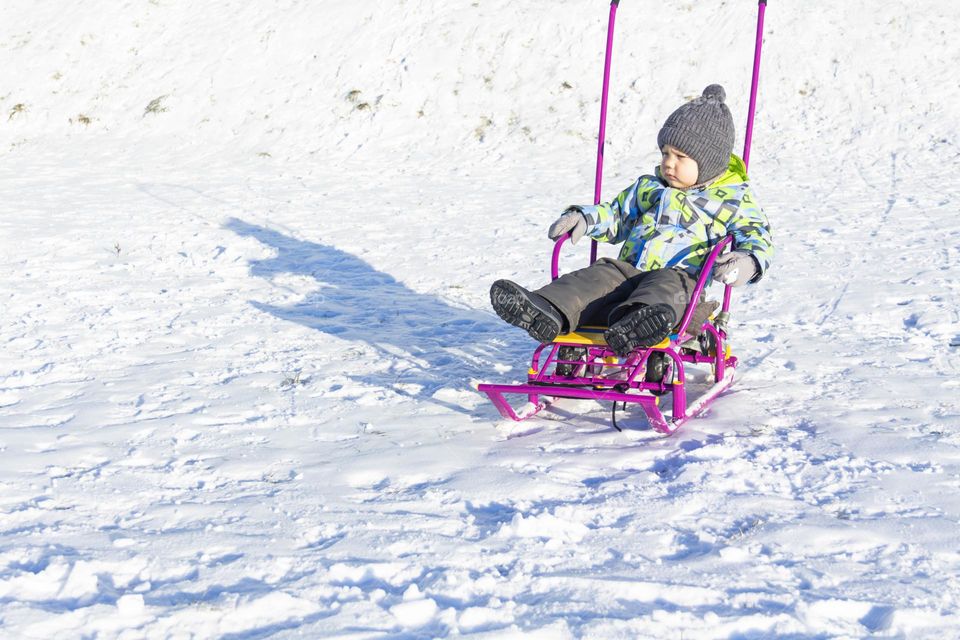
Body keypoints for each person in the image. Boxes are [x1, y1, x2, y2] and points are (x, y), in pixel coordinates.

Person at [490, 84, 774, 356]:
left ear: (709, 162)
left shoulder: (730, 199)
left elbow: (756, 233)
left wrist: (748, 261)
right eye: (665, 153)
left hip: (683, 284)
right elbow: (617, 214)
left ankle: (638, 324)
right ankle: (546, 308)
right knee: (598, 275)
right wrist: (585, 218)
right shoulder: (649, 187)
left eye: (681, 156)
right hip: (628, 272)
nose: (668, 163)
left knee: (667, 289)